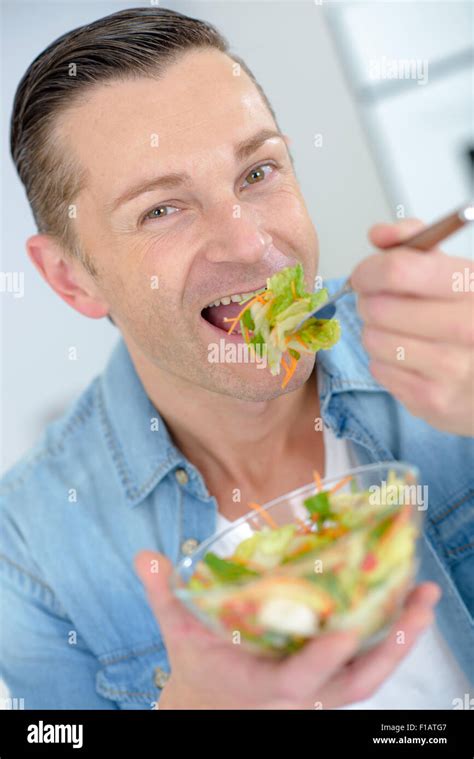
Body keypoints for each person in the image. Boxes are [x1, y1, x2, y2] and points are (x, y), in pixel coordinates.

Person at [1, 7, 472, 710]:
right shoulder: (29, 551)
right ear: (73, 277)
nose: (249, 244)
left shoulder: (452, 355)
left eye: (257, 171)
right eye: (163, 209)